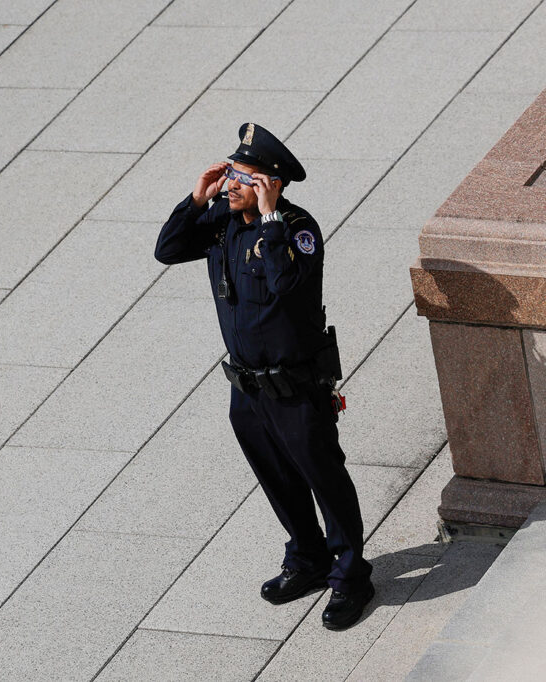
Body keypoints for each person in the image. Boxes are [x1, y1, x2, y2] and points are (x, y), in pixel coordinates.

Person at [154, 123, 375, 630]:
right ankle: (308, 558)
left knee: (325, 480)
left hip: (296, 388)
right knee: (278, 480)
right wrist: (195, 199)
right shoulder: (222, 222)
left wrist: (271, 219)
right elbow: (167, 249)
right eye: (231, 172)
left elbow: (285, 285)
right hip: (247, 389)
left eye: (244, 177)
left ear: (271, 185)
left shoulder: (297, 230)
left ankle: (350, 576)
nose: (231, 184)